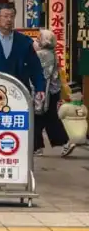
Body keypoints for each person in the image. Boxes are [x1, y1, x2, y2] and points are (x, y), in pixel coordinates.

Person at [0, 4, 46, 97]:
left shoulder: (24, 42)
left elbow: (35, 67)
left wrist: (40, 88)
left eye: (12, 16)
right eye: (5, 16)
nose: (9, 19)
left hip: (20, 93)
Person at [33, 29, 74, 157]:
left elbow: (43, 75)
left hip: (45, 91)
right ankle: (38, 146)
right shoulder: (51, 53)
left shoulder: (42, 55)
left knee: (43, 118)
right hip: (51, 91)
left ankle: (64, 143)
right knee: (43, 118)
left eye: (39, 38)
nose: (37, 40)